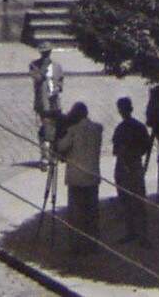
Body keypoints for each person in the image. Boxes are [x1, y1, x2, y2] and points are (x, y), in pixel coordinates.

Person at [55, 101, 103, 256]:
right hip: (92, 177)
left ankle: (77, 246)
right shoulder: (97, 129)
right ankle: (92, 244)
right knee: (92, 213)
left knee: (76, 214)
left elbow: (61, 147)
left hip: (77, 179)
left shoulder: (73, 131)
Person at [111, 97, 152, 245]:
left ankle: (132, 232)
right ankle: (142, 234)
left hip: (123, 166)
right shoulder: (139, 127)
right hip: (135, 165)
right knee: (138, 201)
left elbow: (115, 150)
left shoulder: (120, 129)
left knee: (126, 201)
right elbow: (147, 147)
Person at [29, 42, 65, 168]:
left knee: (55, 128)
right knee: (45, 129)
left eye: (47, 52)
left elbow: (60, 82)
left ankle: (53, 154)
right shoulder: (34, 65)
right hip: (43, 104)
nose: (46, 55)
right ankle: (44, 156)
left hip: (54, 102)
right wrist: (43, 67)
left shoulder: (57, 66)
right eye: (44, 53)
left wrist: (57, 88)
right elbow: (37, 78)